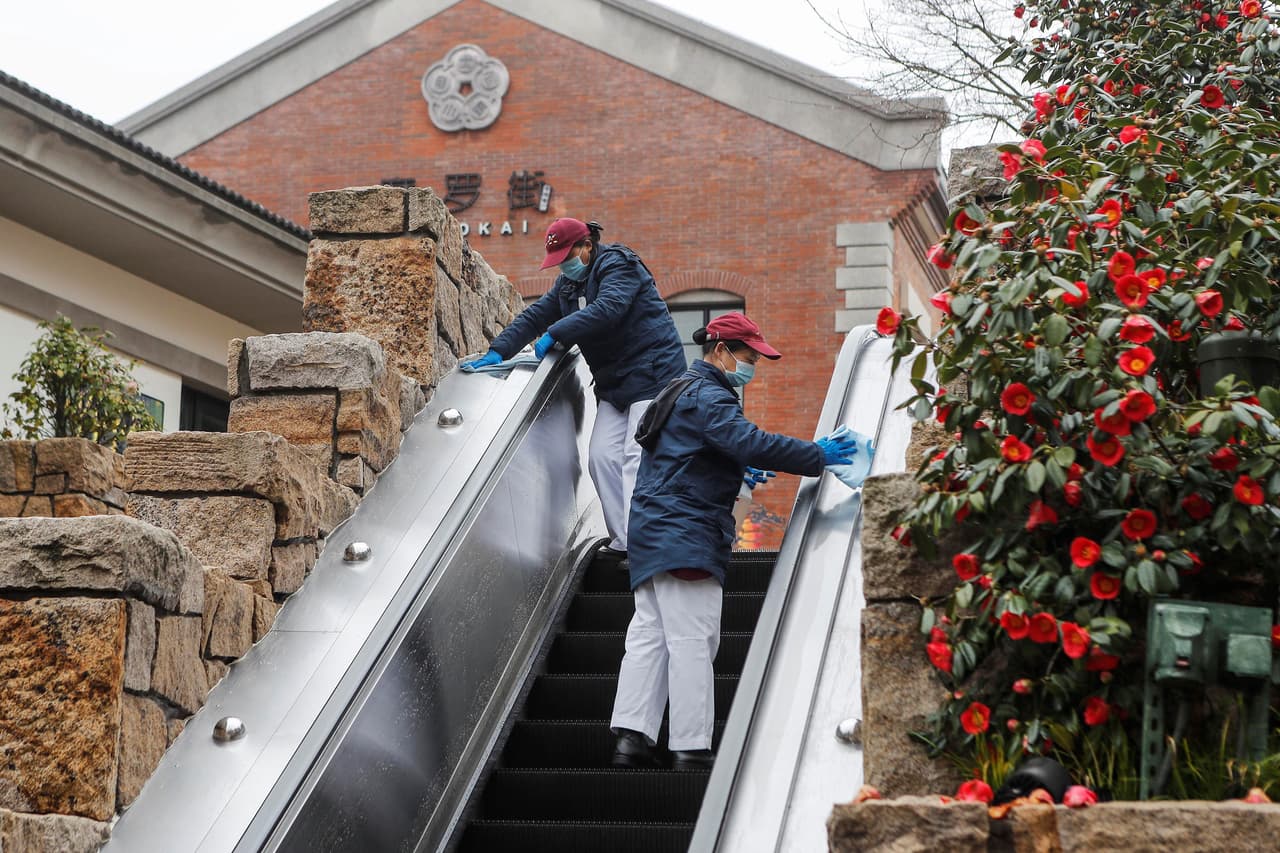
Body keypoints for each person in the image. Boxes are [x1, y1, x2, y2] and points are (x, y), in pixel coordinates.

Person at [609, 312, 858, 769]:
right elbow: (749, 441)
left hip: (651, 531)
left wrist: (735, 468)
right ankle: (690, 747)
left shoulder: (678, 389)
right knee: (693, 639)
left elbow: (685, 455)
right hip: (686, 532)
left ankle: (632, 740)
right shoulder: (710, 394)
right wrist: (816, 454)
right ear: (721, 350)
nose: (752, 367)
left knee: (650, 635)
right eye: (749, 357)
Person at [462, 218, 687, 565]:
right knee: (601, 457)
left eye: (568, 257)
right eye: (559, 261)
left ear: (587, 246)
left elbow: (609, 308)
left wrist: (557, 333)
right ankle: (624, 540)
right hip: (614, 386)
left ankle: (646, 545)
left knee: (635, 457)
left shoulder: (619, 264)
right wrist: (499, 350)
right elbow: (536, 316)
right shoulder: (568, 285)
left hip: (654, 375)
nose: (565, 266)